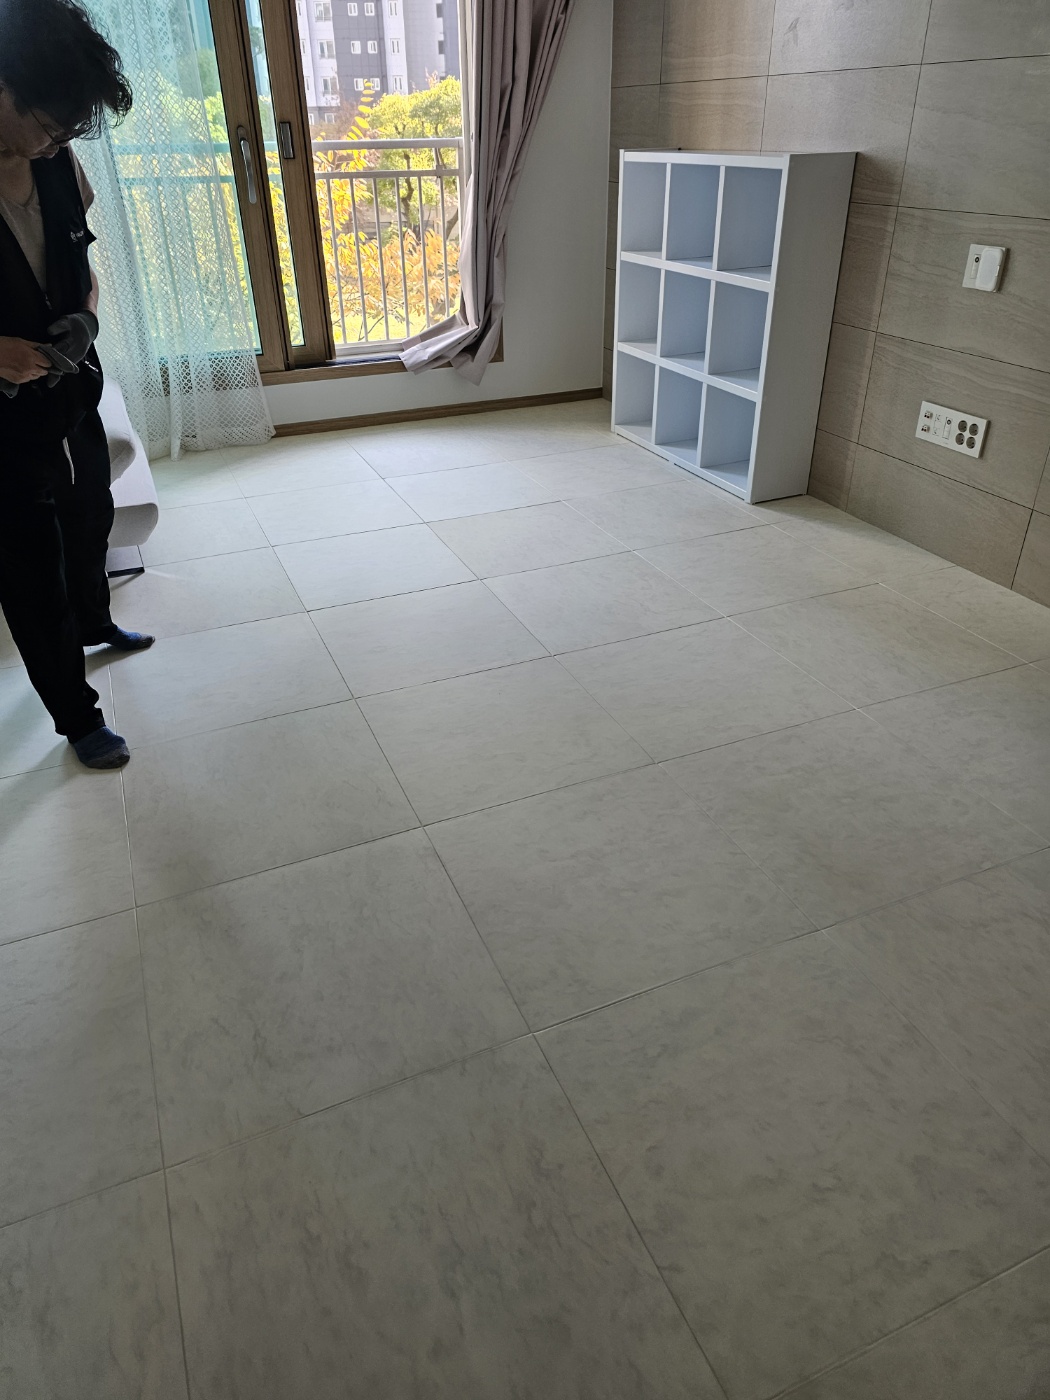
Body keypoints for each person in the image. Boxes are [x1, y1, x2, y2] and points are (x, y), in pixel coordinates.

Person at [0, 0, 153, 771]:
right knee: (30, 570)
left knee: (91, 511)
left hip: (70, 388)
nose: (57, 141)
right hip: (2, 426)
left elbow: (81, 264)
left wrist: (86, 319)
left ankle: (96, 619)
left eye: (69, 131)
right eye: (50, 124)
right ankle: (77, 717)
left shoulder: (59, 163)